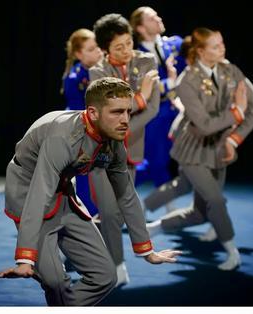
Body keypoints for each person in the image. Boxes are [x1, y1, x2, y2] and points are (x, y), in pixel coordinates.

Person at [0, 77, 181, 306]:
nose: (125, 120)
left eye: (128, 111)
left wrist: (147, 250)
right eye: (116, 112)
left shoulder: (114, 141)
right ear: (93, 113)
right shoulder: (62, 137)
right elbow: (39, 193)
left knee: (106, 276)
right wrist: (26, 257)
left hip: (63, 189)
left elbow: (126, 195)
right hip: (28, 190)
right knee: (55, 282)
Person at [146, 28, 253, 271]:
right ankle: (233, 252)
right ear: (200, 51)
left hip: (220, 148)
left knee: (200, 213)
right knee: (216, 200)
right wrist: (235, 113)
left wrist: (233, 140)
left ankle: (154, 227)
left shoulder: (230, 70)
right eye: (215, 46)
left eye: (222, 44)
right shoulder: (186, 81)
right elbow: (205, 125)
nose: (222, 49)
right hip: (193, 148)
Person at [88, 13, 160, 286]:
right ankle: (116, 267)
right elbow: (106, 114)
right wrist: (140, 94)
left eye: (129, 43)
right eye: (119, 47)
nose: (127, 50)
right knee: (108, 211)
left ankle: (79, 241)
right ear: (106, 49)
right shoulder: (97, 72)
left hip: (131, 150)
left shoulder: (146, 61)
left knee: (119, 210)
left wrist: (124, 127)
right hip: (101, 151)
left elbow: (152, 109)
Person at [130, 6, 187, 186]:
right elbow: (139, 89)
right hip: (156, 113)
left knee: (196, 158)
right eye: (151, 18)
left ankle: (205, 205)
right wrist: (169, 83)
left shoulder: (176, 44)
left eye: (157, 15)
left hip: (184, 110)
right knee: (156, 160)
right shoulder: (134, 56)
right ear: (140, 27)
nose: (158, 19)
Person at [61, 28, 103, 217]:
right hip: (83, 131)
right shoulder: (75, 78)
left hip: (99, 130)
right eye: (91, 49)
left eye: (98, 47)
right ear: (79, 54)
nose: (98, 51)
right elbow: (82, 112)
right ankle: (88, 214)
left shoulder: (102, 69)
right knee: (86, 175)